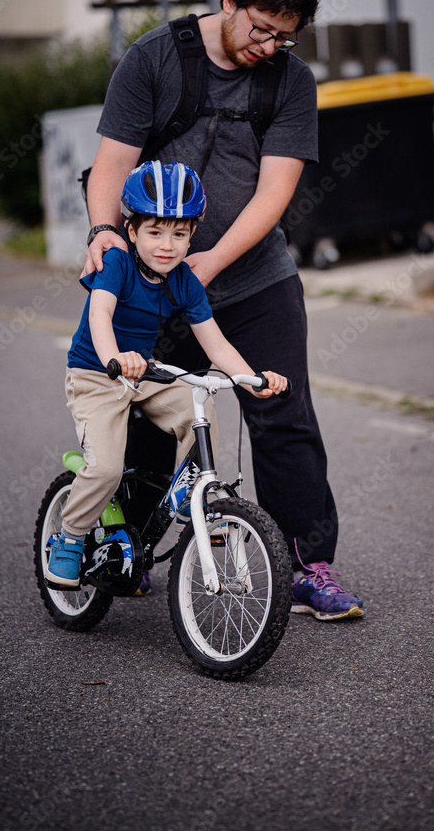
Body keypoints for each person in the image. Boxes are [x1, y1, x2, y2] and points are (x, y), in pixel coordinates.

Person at [82, 0, 363, 621]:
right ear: (228, 3)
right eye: (260, 28)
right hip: (151, 279)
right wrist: (102, 235)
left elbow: (275, 192)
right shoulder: (154, 58)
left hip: (253, 277)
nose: (270, 45)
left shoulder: (290, 80)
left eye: (284, 35)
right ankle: (129, 543)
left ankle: (308, 565)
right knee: (152, 421)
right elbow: (111, 165)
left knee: (281, 410)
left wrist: (207, 265)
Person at [46, 160, 287, 589]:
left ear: (192, 235)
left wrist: (254, 380)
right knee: (105, 470)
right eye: (155, 232)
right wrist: (114, 358)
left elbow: (216, 345)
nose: (167, 246)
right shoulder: (117, 262)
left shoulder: (183, 281)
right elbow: (100, 314)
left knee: (201, 406)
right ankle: (69, 536)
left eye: (179, 234)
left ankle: (189, 503)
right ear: (131, 230)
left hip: (145, 375)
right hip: (97, 375)